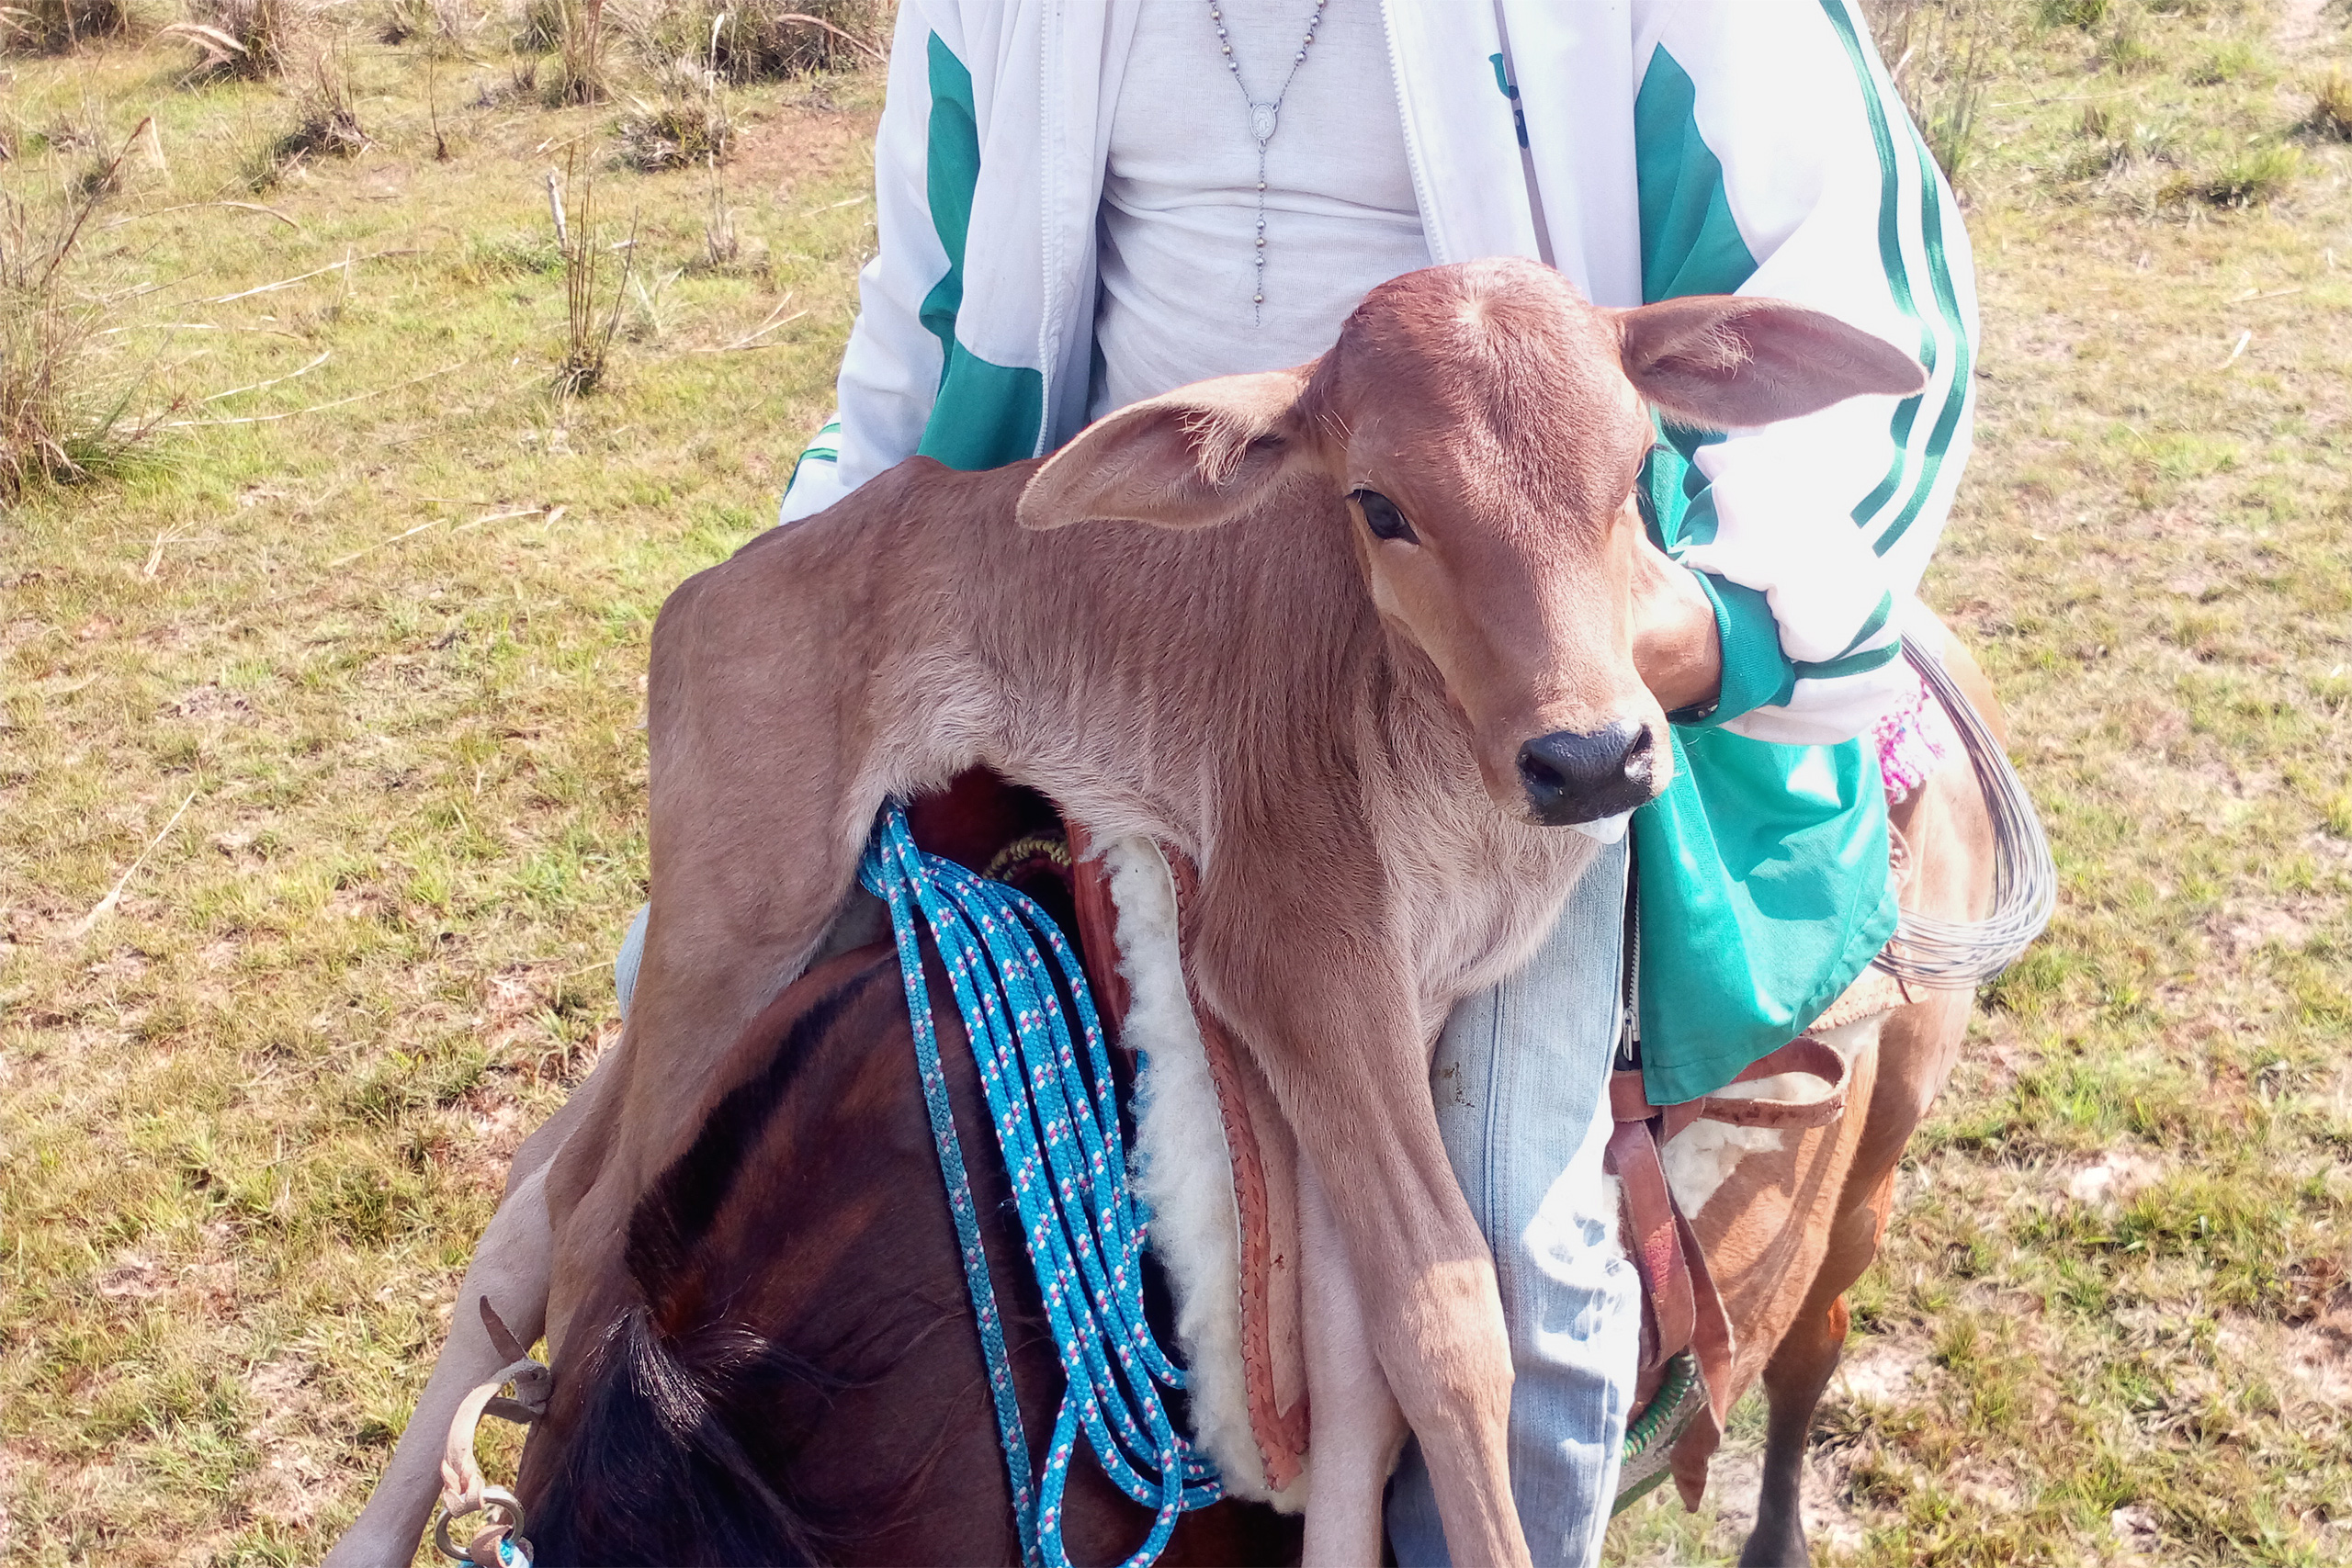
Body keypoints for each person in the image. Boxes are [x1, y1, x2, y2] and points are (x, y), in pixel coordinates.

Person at [332, 5, 1974, 1564]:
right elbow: (924, 321)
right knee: (686, 1062)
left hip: (1503, 640)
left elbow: (1872, 307)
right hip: (1106, 584)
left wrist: (1687, 632)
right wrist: (800, 613)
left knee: (1527, 1284)